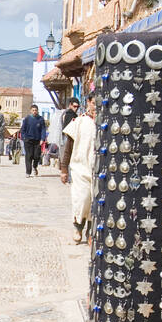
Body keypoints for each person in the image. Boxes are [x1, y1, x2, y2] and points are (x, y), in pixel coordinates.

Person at [62, 96, 98, 243]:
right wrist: (64, 168)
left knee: (94, 201)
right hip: (80, 168)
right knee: (82, 199)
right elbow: (68, 148)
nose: (95, 107)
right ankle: (78, 227)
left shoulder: (103, 123)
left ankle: (91, 231)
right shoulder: (79, 122)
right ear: (88, 102)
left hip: (96, 170)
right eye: (94, 103)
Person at [21, 104, 47, 177]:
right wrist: (23, 138)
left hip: (37, 141)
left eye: (35, 110)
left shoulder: (41, 119)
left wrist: (42, 139)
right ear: (30, 111)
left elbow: (43, 130)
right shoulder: (27, 119)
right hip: (28, 140)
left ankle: (34, 167)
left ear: (37, 111)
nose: (34, 112)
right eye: (33, 110)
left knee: (36, 156)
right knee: (28, 156)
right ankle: (28, 172)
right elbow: (23, 129)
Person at [59, 97, 80, 184]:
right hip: (68, 137)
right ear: (70, 105)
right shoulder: (69, 115)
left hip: (66, 138)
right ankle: (70, 177)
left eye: (77, 107)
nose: (76, 108)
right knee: (69, 156)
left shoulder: (66, 114)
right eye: (74, 106)